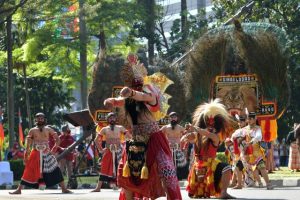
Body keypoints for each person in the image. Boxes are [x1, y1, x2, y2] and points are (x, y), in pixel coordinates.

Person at [104, 54, 182, 199]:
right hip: (135, 141)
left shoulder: (150, 95)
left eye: (139, 81)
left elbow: (141, 96)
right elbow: (118, 100)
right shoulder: (128, 99)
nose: (138, 83)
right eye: (134, 82)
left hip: (154, 140)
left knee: (165, 171)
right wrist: (109, 101)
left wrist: (132, 92)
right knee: (126, 174)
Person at [180, 99, 234, 199]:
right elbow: (190, 137)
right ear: (204, 124)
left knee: (226, 167)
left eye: (213, 126)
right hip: (198, 166)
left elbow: (208, 134)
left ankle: (224, 193)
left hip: (211, 166)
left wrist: (195, 128)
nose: (210, 127)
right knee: (196, 194)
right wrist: (185, 137)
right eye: (208, 125)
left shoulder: (215, 137)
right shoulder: (197, 135)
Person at [9, 113, 71, 194]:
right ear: (36, 120)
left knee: (56, 169)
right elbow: (28, 145)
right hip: (35, 153)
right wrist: (26, 155)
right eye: (38, 118)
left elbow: (57, 139)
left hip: (47, 153)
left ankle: (63, 188)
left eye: (42, 118)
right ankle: (19, 189)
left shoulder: (48, 129)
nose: (40, 120)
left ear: (44, 119)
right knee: (28, 170)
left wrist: (53, 150)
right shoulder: (32, 130)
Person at [91, 112, 129, 192]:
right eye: (110, 118)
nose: (112, 119)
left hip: (119, 150)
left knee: (121, 167)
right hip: (108, 150)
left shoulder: (120, 127)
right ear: (108, 119)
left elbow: (128, 135)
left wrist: (126, 143)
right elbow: (96, 140)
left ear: (116, 119)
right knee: (104, 168)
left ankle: (123, 187)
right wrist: (101, 149)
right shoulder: (104, 129)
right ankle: (98, 188)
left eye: (113, 118)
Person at [242, 112, 274, 189]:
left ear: (254, 119)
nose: (248, 120)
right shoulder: (244, 129)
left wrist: (250, 142)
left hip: (257, 151)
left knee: (261, 167)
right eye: (248, 119)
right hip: (249, 152)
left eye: (250, 119)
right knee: (254, 168)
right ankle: (260, 183)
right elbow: (237, 134)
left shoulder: (258, 128)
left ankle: (268, 184)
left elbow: (258, 136)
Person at [160, 112, 187, 176]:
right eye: (172, 117)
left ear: (177, 118)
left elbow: (186, 135)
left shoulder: (180, 127)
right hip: (168, 148)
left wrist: (184, 144)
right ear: (169, 118)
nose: (173, 119)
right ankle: (170, 175)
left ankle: (178, 176)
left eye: (175, 117)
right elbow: (158, 134)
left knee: (178, 163)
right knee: (168, 162)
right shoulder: (165, 127)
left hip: (177, 148)